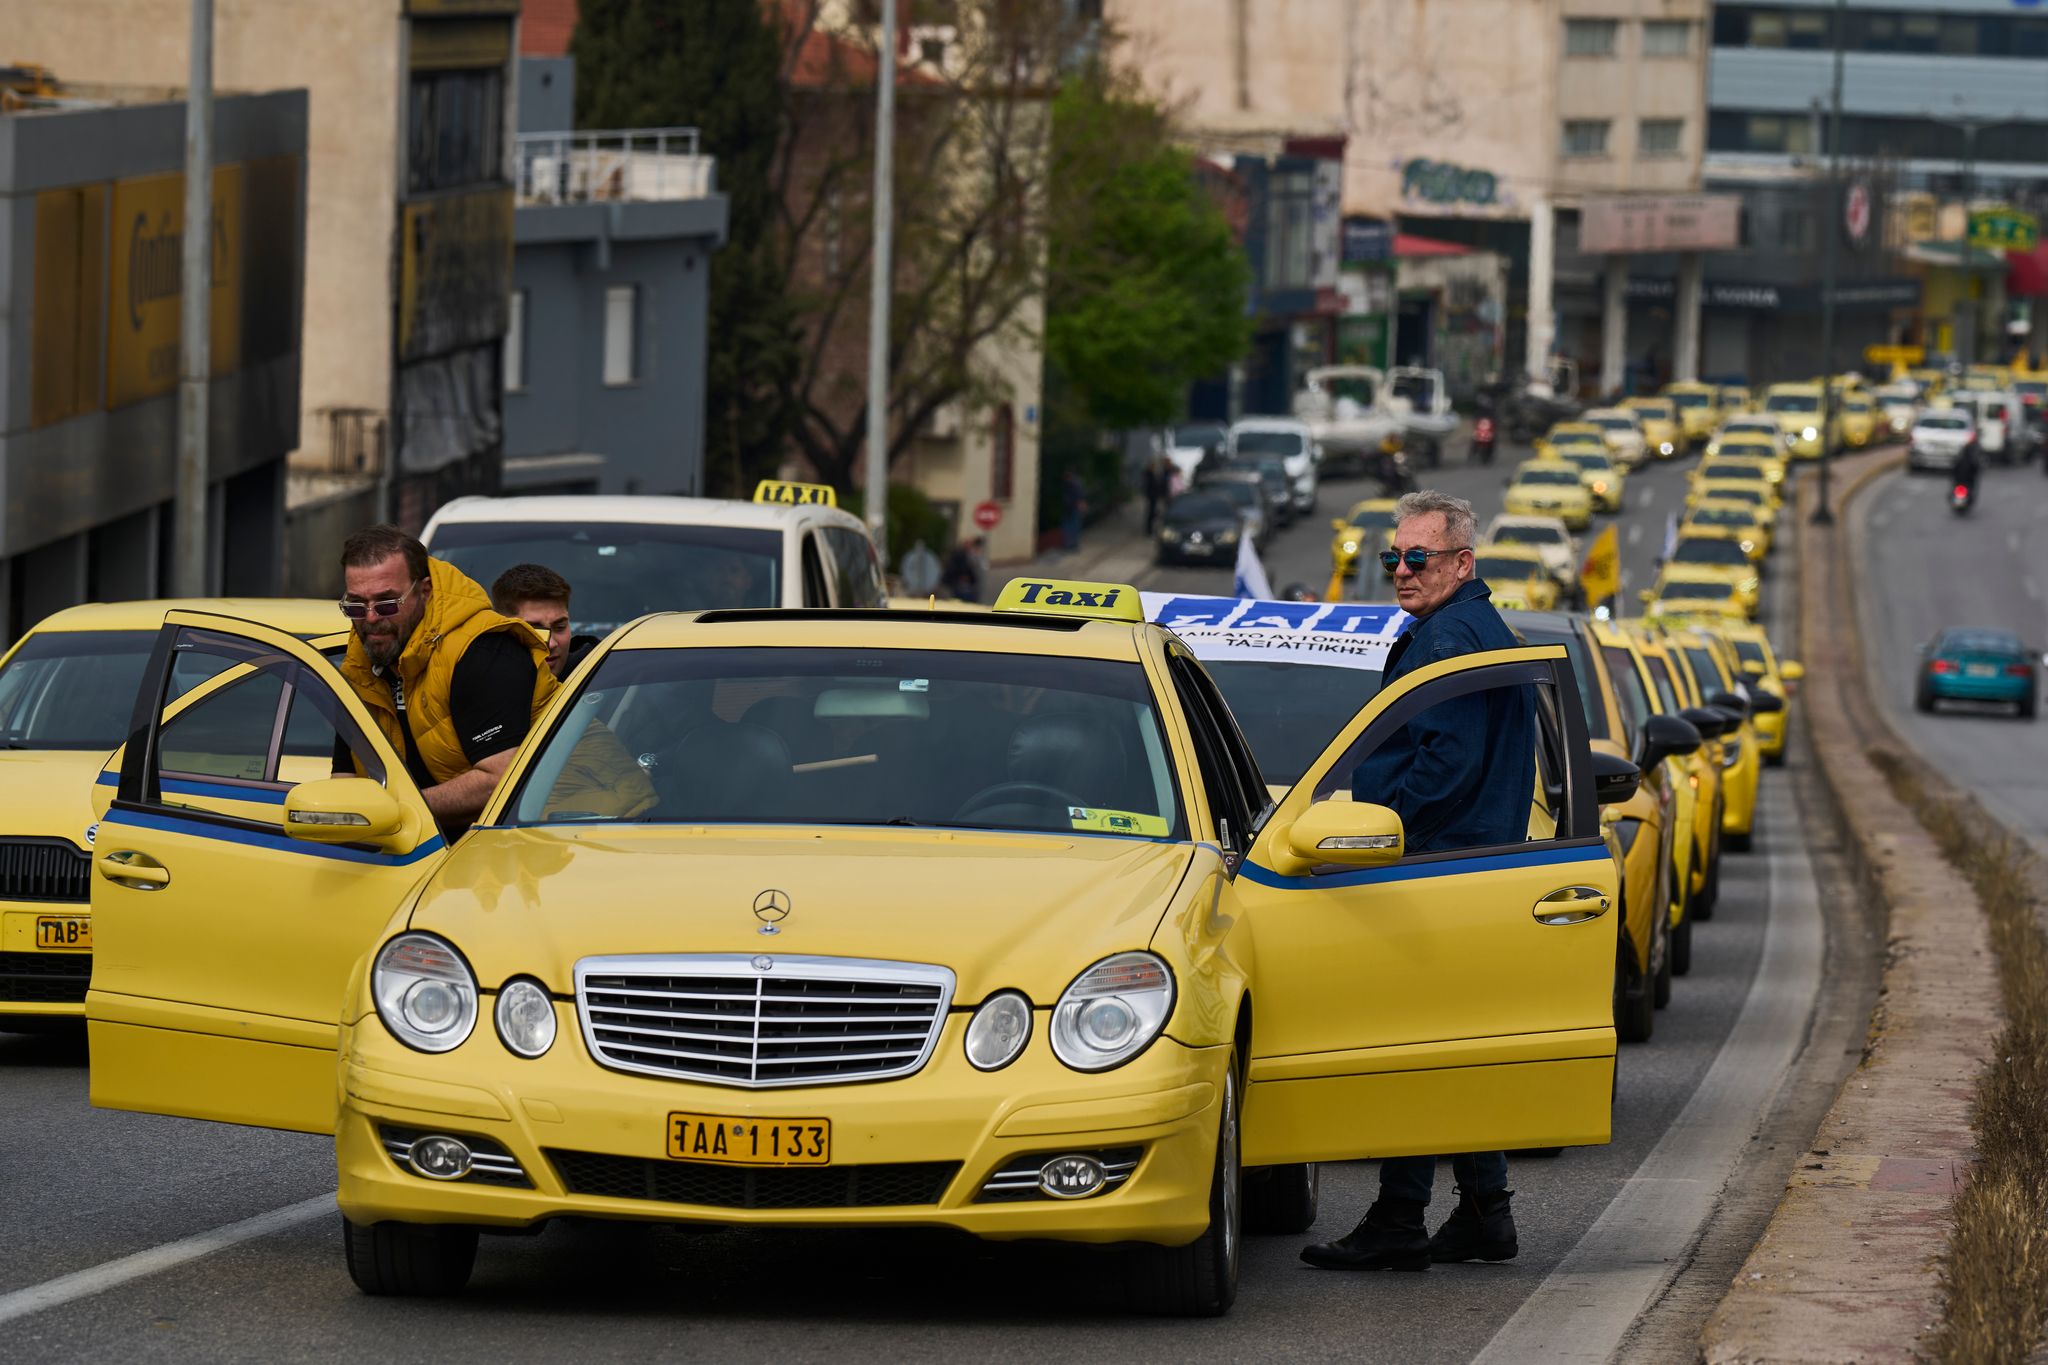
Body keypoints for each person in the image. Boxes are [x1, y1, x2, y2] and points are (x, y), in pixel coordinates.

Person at [1300, 488, 1536, 1273]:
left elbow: (1446, 763)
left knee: (1413, 1048)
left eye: (1417, 557)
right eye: (1392, 557)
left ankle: (1401, 1216)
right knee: (1452, 1049)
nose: (1401, 570)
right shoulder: (1480, 626)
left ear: (1461, 561)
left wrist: (1384, 827)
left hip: (1434, 872)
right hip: (1475, 870)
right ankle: (1486, 1212)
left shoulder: (1446, 638)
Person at [333, 525, 557, 839]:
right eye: (356, 606)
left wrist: (396, 810)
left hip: (572, 828)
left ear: (423, 591)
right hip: (448, 844)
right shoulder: (360, 664)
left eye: (387, 604)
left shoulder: (482, 650)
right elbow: (345, 780)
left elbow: (500, 780)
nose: (370, 618)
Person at [490, 562, 599, 680]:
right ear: (503, 630)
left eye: (560, 627)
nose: (551, 644)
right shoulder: (479, 682)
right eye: (535, 631)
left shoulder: (602, 678)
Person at [941, 534, 987, 603]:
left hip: (966, 585)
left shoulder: (968, 554)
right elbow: (959, 568)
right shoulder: (960, 555)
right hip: (959, 585)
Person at [1143, 455, 1171, 536]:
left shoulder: (1163, 472)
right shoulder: (1150, 474)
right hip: (1154, 495)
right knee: (1153, 513)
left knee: (1155, 513)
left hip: (1158, 495)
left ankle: (1153, 530)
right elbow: (1152, 485)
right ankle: (1150, 530)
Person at [1061, 468, 1087, 551]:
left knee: (1071, 526)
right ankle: (1072, 544)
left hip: (1071, 507)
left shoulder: (1073, 484)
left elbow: (1079, 496)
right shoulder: (1075, 483)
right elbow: (1080, 495)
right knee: (1073, 526)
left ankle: (1071, 545)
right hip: (1072, 507)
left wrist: (1081, 503)